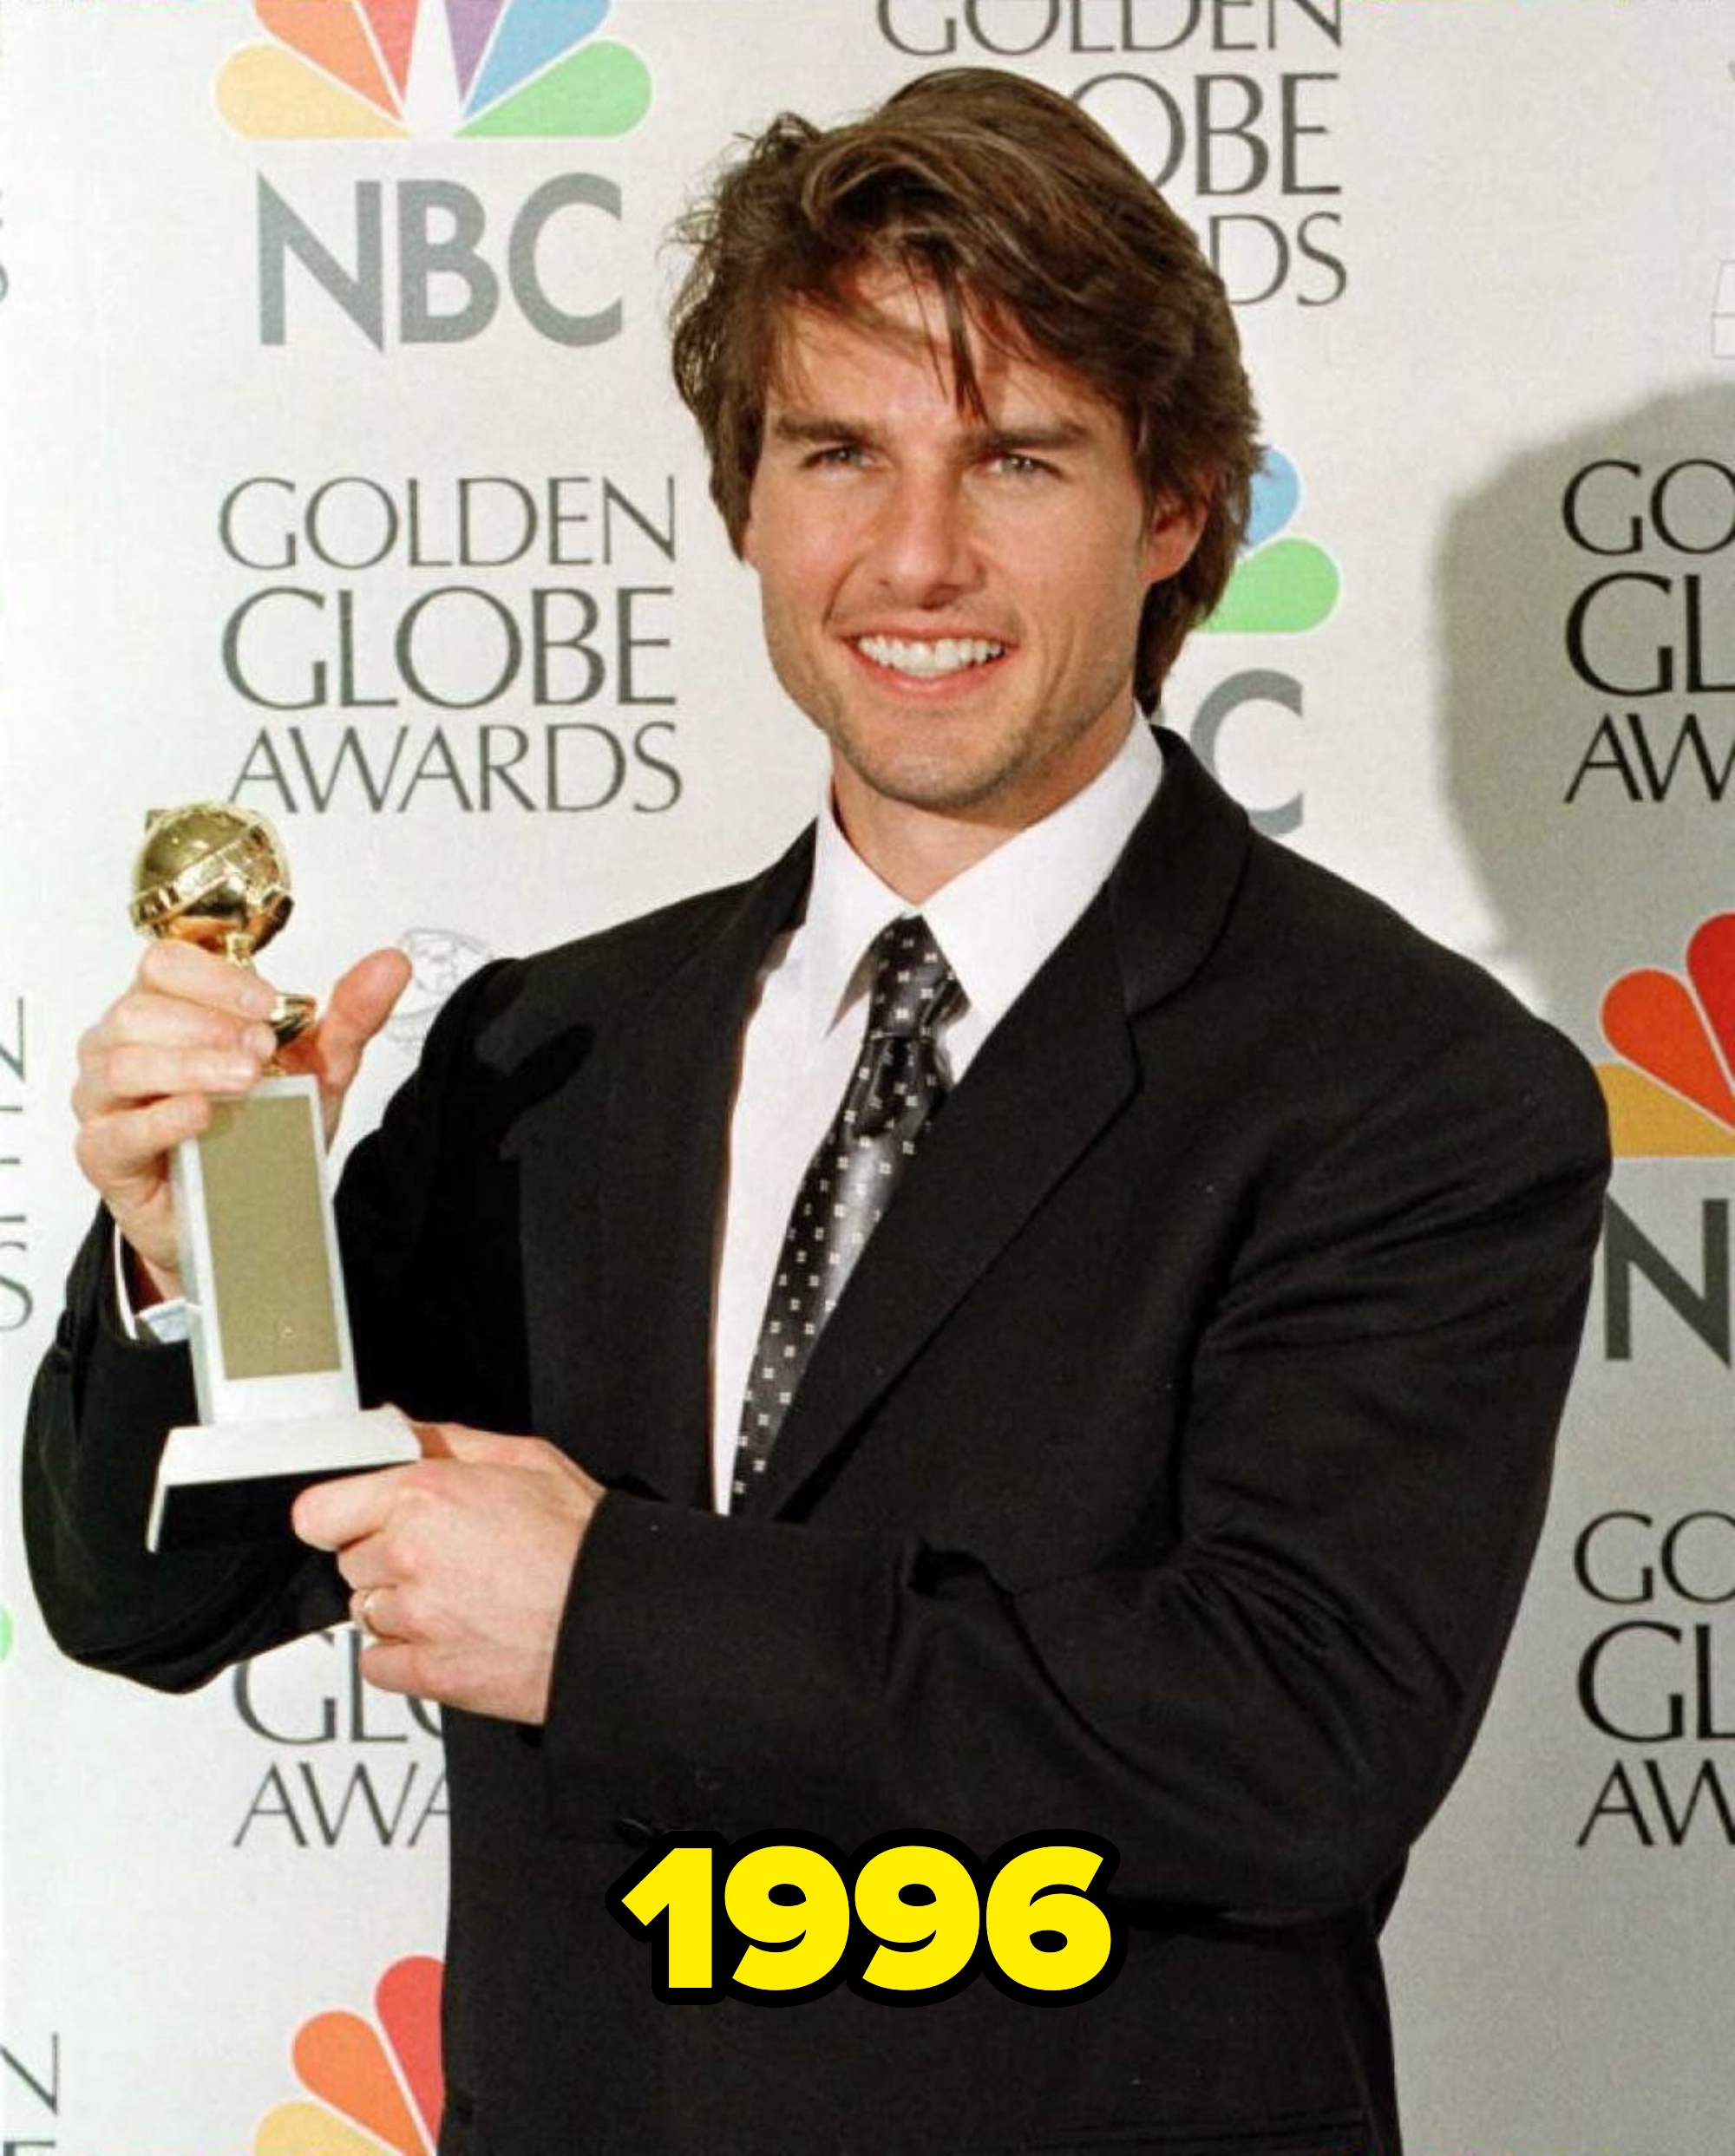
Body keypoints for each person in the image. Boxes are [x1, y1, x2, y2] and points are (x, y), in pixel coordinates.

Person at [27, 68, 1609, 2156]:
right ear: (745, 500)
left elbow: (1292, 1739)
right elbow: (152, 1598)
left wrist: (606, 1617)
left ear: (1176, 507)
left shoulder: (1408, 1087)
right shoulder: (548, 1050)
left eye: (1017, 456)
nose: (915, 553)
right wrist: (184, 1248)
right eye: (838, 451)